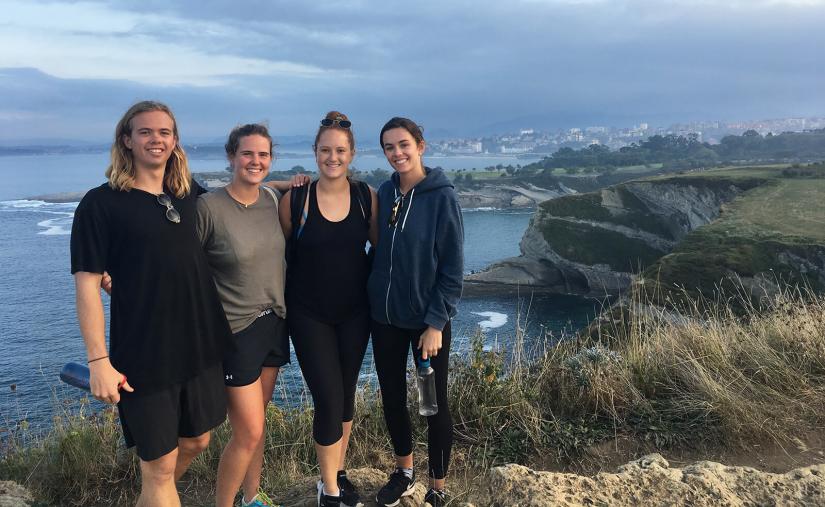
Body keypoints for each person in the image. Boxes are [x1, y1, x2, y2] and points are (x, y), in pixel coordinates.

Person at [71, 100, 233, 507]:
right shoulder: (100, 203)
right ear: (126, 140)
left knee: (197, 440)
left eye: (164, 132)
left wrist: (298, 184)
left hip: (199, 344)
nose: (155, 139)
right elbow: (88, 287)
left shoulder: (188, 195)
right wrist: (98, 362)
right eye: (145, 132)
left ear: (175, 141)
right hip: (144, 353)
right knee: (159, 467)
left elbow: (239, 198)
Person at [197, 124, 299, 507]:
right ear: (231, 157)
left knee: (257, 427)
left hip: (273, 322)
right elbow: (178, 260)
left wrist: (296, 182)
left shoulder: (272, 199)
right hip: (235, 331)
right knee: (248, 432)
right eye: (247, 154)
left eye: (263, 155)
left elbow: (283, 187)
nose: (255, 161)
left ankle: (252, 498)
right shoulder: (209, 208)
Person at [279, 111, 377, 507]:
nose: (332, 157)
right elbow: (278, 250)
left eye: (340, 150)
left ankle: (335, 472)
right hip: (308, 314)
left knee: (347, 395)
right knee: (328, 398)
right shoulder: (296, 199)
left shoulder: (364, 196)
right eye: (325, 150)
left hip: (356, 313)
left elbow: (383, 252)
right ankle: (330, 492)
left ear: (352, 154)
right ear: (314, 153)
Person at [367, 117, 464, 507]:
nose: (397, 153)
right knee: (392, 397)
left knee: (432, 404)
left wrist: (436, 322)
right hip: (385, 319)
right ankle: (404, 472)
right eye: (389, 147)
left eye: (403, 145)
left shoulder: (442, 198)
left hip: (427, 326)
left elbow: (453, 269)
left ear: (420, 145)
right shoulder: (385, 192)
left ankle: (437, 488)